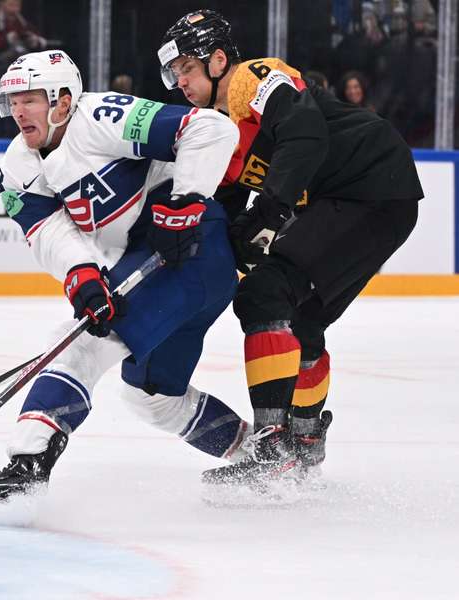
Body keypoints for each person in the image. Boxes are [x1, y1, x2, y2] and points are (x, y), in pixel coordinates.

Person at [0, 49, 251, 523]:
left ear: (64, 101)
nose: (18, 111)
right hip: (163, 267)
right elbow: (48, 231)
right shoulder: (15, 168)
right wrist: (81, 274)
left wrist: (186, 199)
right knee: (152, 397)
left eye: (30, 99)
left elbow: (210, 128)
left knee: (82, 347)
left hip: (190, 247)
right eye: (12, 101)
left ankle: (27, 466)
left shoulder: (102, 116)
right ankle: (261, 460)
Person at [158, 9, 422, 488]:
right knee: (299, 318)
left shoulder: (253, 78)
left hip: (367, 186)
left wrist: (272, 211)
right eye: (175, 75)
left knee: (264, 295)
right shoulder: (220, 128)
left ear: (219, 60)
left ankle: (273, 446)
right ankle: (302, 445)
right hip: (378, 198)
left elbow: (305, 133)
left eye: (187, 70)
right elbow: (228, 207)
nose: (181, 83)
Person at [0, 0, 47, 66]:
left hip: (23, 56)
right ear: (1, 4)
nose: (14, 9)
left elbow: (38, 37)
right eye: (11, 5)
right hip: (1, 57)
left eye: (17, 6)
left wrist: (33, 40)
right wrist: (6, 39)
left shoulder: (22, 21)